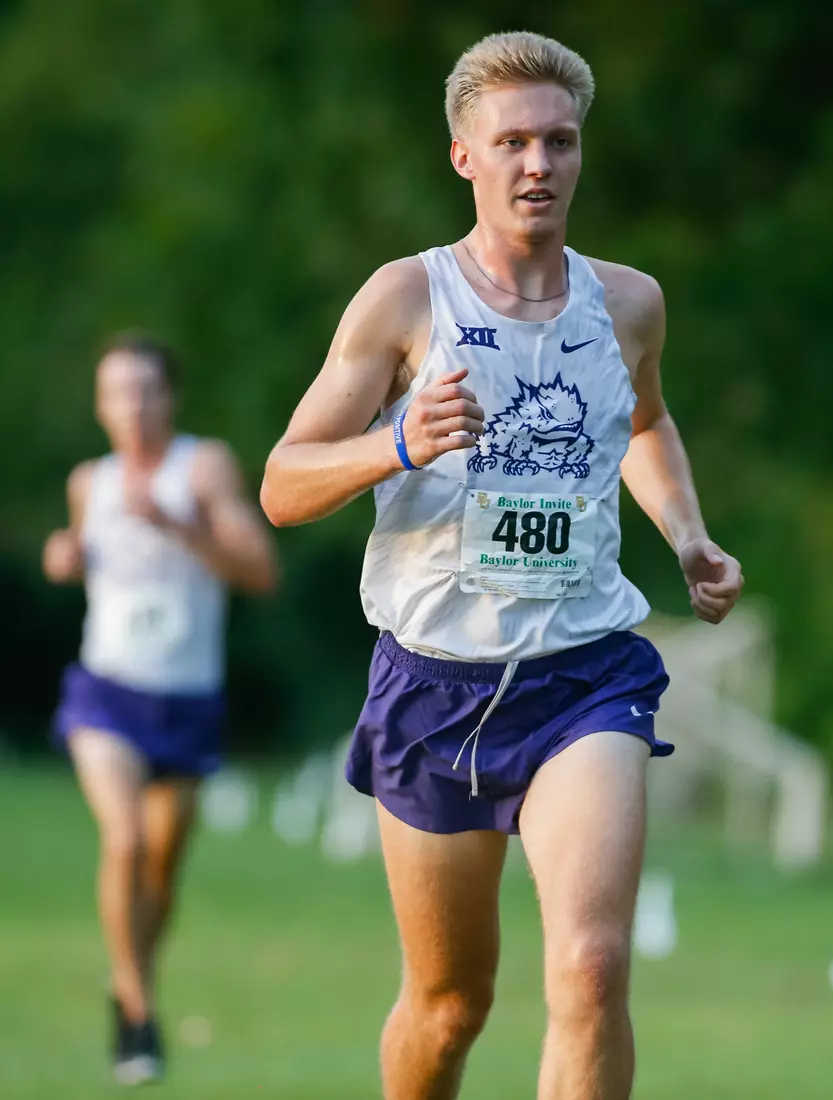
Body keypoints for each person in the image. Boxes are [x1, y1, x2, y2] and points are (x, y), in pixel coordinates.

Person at [261, 30, 743, 1100]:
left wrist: (685, 534)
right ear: (463, 156)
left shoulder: (627, 302)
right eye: (514, 140)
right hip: (435, 681)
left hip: (584, 672)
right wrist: (396, 443)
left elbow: (642, 424)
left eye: (559, 142)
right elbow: (282, 484)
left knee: (590, 963)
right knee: (447, 1007)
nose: (539, 163)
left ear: (579, 155)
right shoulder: (405, 300)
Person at [43, 333, 277, 1086]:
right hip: (106, 689)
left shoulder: (201, 467)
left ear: (168, 397)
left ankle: (128, 981)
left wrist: (177, 525)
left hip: (186, 699)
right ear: (100, 404)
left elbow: (259, 571)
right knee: (126, 843)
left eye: (146, 389)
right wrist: (64, 556)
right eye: (117, 391)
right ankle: (138, 1009)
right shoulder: (91, 481)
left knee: (162, 875)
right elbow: (80, 552)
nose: (133, 405)